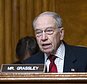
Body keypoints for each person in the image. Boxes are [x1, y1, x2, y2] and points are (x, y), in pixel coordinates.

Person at [22, 11, 87, 72]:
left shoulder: (84, 57)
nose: (43, 38)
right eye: (38, 32)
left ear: (61, 33)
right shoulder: (29, 64)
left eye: (49, 31)